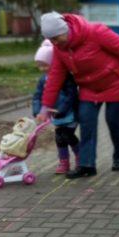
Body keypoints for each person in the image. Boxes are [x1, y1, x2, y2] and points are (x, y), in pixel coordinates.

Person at [37, 11, 119, 179]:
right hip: (88, 87)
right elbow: (55, 76)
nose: (54, 43)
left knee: (113, 120)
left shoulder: (96, 32)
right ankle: (87, 165)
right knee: (86, 123)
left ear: (65, 30)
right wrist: (45, 106)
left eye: (56, 38)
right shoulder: (60, 49)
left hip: (114, 83)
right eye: (50, 40)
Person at [32, 40, 79, 174]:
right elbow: (38, 96)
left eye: (44, 65)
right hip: (55, 116)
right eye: (39, 66)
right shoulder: (43, 80)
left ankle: (80, 157)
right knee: (59, 138)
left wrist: (61, 110)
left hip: (69, 114)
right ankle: (64, 162)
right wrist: (37, 111)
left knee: (68, 136)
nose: (42, 69)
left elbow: (71, 95)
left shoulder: (66, 77)